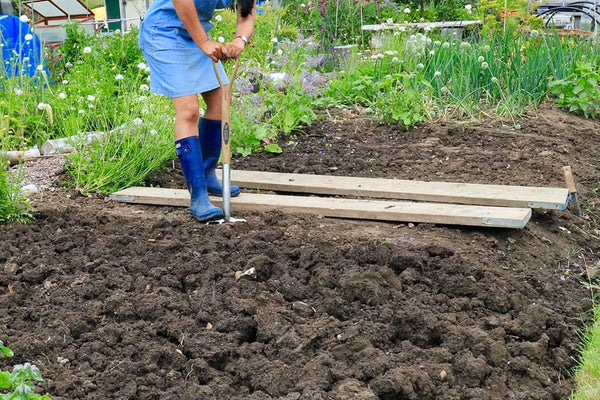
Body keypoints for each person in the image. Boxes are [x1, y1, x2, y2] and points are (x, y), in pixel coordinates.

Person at [139, 0, 256, 222]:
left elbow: (247, 13)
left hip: (198, 33)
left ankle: (207, 173)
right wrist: (203, 42)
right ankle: (198, 196)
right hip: (164, 32)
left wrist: (240, 40)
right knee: (189, 109)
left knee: (222, 101)